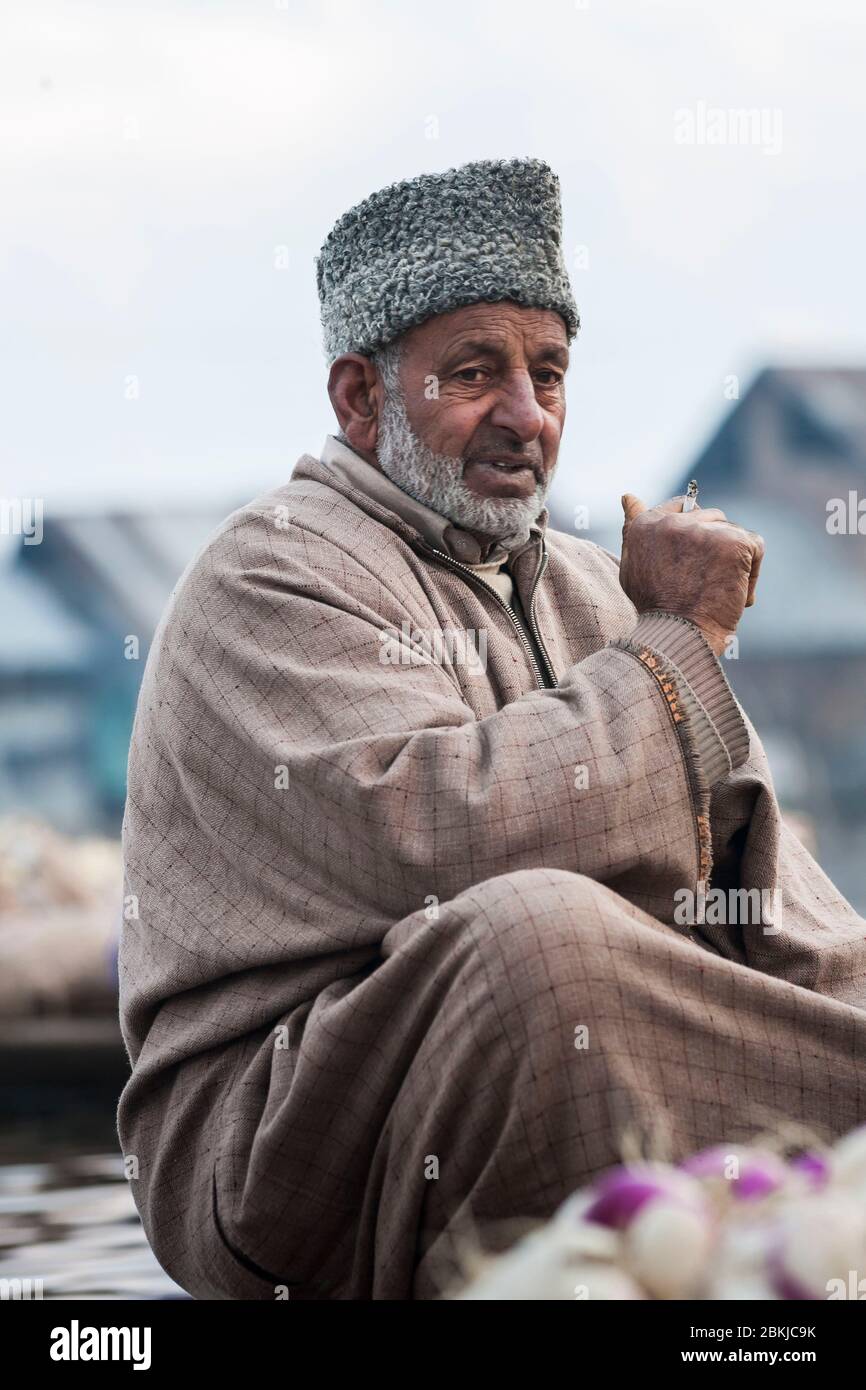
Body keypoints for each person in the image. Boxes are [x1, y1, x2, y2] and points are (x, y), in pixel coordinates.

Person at [117, 158, 866, 1300]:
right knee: (539, 938)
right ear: (361, 399)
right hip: (278, 1141)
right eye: (474, 372)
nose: (526, 417)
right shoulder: (266, 576)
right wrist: (673, 649)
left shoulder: (596, 588)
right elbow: (442, 837)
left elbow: (762, 870)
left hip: (586, 1040)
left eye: (549, 374)